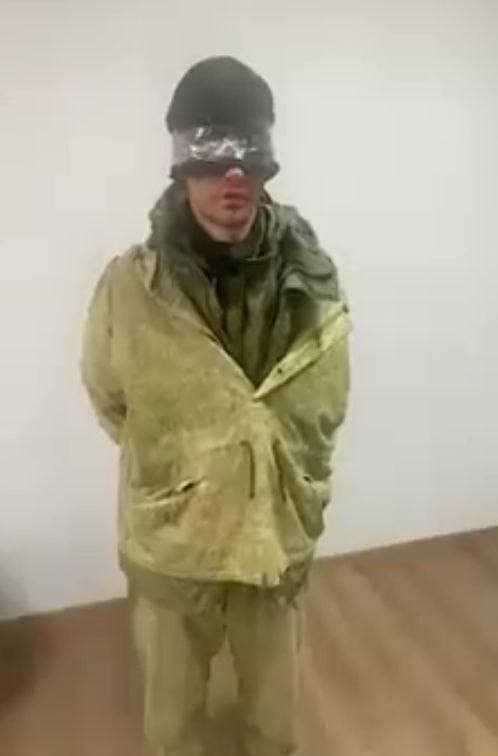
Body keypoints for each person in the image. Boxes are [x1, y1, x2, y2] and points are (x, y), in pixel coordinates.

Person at [82, 56, 351, 756]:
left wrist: (296, 473)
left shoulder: (312, 278)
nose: (233, 174)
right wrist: (185, 469)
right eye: (211, 154)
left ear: (267, 163)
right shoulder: (129, 288)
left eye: (249, 152)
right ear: (182, 166)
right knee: (171, 723)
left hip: (275, 536)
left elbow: (327, 399)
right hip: (176, 545)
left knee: (276, 721)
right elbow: (109, 396)